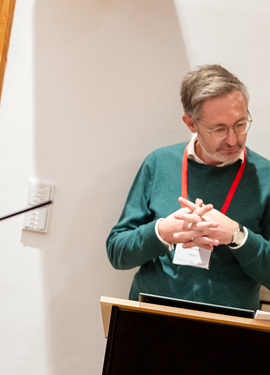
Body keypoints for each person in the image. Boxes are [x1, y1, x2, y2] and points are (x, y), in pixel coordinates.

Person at [107, 65, 270, 311]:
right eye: (219, 129)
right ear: (191, 123)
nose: (233, 139)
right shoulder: (159, 163)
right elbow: (117, 252)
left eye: (240, 124)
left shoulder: (265, 176)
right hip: (151, 317)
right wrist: (161, 232)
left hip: (228, 326)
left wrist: (238, 236)